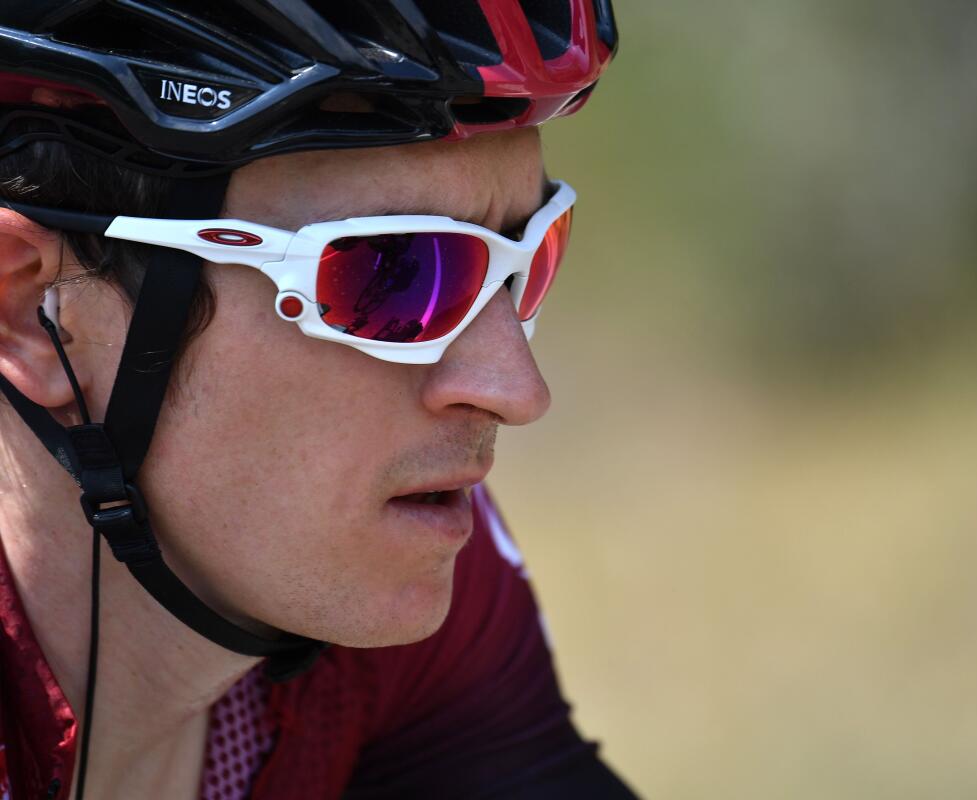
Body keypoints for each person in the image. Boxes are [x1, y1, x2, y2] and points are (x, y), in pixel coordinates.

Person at [0, 2, 635, 799]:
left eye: (529, 259)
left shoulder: (394, 578)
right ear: (32, 311)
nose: (516, 391)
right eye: (394, 274)